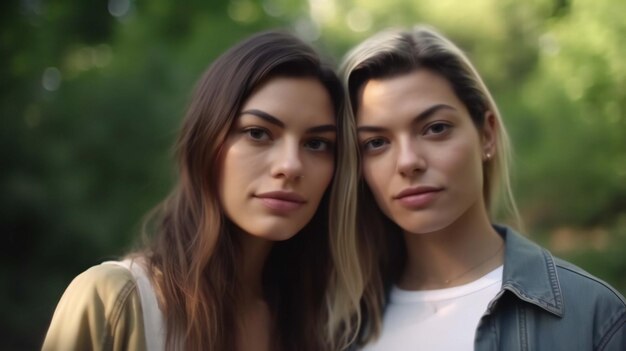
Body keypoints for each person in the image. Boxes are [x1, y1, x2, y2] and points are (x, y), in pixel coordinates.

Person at [42, 30, 353, 351]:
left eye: (317, 144)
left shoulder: (328, 326)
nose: (290, 166)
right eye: (258, 133)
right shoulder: (116, 301)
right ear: (205, 142)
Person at [332, 25, 626, 350]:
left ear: (486, 135)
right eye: (376, 143)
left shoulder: (593, 316)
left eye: (435, 128)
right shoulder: (336, 324)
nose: (408, 162)